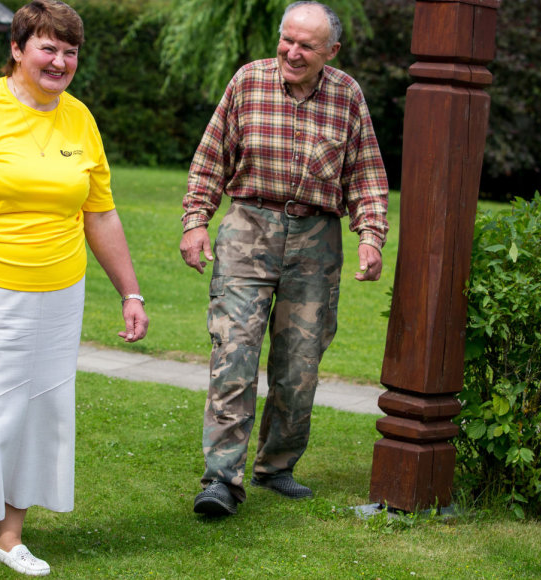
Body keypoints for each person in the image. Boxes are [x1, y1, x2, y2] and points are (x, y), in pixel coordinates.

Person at [0, 0, 148, 575]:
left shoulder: (80, 119)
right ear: (17, 50)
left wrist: (130, 292)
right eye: (48, 48)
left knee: (40, 409)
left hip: (58, 290)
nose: (60, 61)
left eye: (70, 52)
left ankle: (7, 535)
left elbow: (101, 214)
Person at [180, 1, 389, 517]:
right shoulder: (248, 82)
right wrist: (195, 221)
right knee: (235, 354)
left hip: (316, 239)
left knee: (299, 366)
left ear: (331, 52)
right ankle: (221, 479)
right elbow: (211, 157)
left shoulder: (347, 96)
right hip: (249, 227)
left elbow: (365, 175)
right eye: (287, 40)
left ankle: (277, 467)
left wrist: (371, 236)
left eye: (306, 46)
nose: (292, 52)